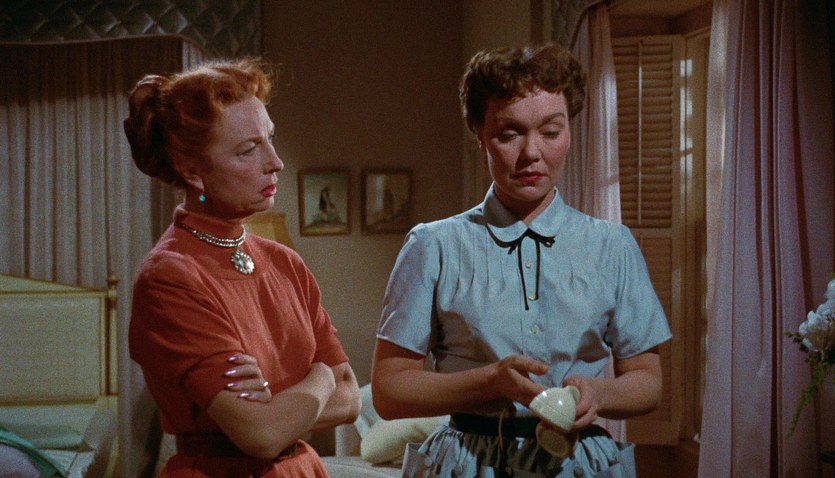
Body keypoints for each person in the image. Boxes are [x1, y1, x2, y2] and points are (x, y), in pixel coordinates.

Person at [371, 43, 672, 477]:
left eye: (550, 132)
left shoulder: (612, 245)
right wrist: (490, 381)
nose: (531, 152)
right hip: (468, 463)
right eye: (510, 133)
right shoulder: (434, 245)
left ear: (570, 133)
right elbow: (389, 390)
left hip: (578, 463)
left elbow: (647, 381)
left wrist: (599, 394)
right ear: (479, 134)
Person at [125, 58, 361, 477]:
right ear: (193, 171)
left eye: (270, 138)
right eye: (248, 149)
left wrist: (281, 404)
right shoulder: (169, 276)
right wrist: (321, 377)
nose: (275, 162)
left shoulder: (285, 263)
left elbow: (351, 397)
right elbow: (262, 434)